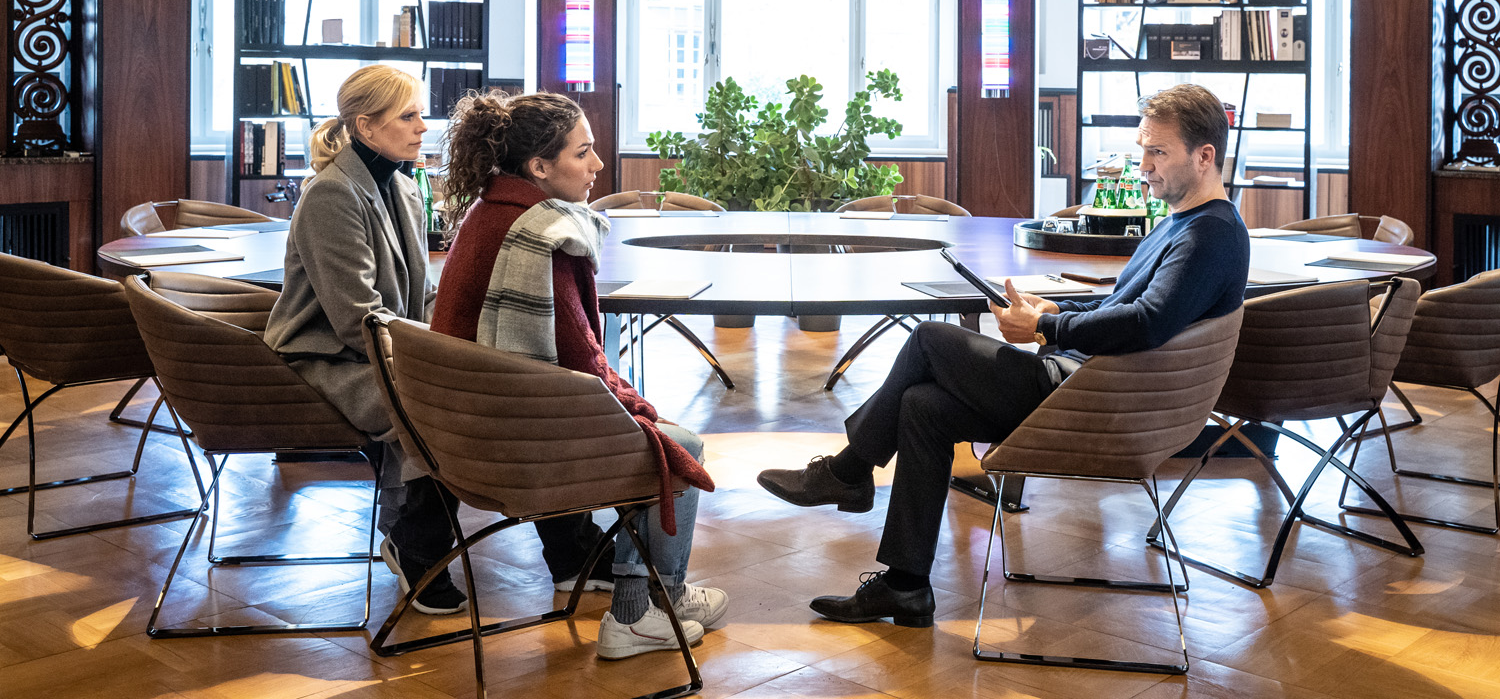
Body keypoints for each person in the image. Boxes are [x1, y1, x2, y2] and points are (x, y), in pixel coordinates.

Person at [757, 82, 1250, 627]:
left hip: (1100, 402)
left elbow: (1147, 323)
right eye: (1142, 149)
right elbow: (1127, 305)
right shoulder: (1185, 224)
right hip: (1089, 384)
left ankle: (848, 472)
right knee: (923, 405)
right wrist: (1053, 308)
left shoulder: (1211, 235)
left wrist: (1044, 325)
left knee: (928, 337)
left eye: (1157, 152)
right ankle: (905, 586)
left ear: (1205, 156)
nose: (1142, 166)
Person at [429, 89, 727, 660]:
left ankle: (656, 595)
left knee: (654, 430)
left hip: (462, 427)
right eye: (583, 153)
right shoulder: (542, 234)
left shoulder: (490, 210)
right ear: (539, 167)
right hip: (509, 440)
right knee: (676, 446)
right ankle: (641, 614)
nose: (598, 167)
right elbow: (582, 363)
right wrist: (642, 413)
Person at [264, 64, 469, 613]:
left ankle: (414, 537)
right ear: (366, 127)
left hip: (379, 346)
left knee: (472, 388)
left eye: (421, 113)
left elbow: (420, 293)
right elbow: (355, 316)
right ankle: (417, 546)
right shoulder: (331, 195)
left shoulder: (403, 185)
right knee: (438, 403)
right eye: (409, 115)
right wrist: (436, 359)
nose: (424, 126)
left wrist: (456, 344)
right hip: (324, 358)